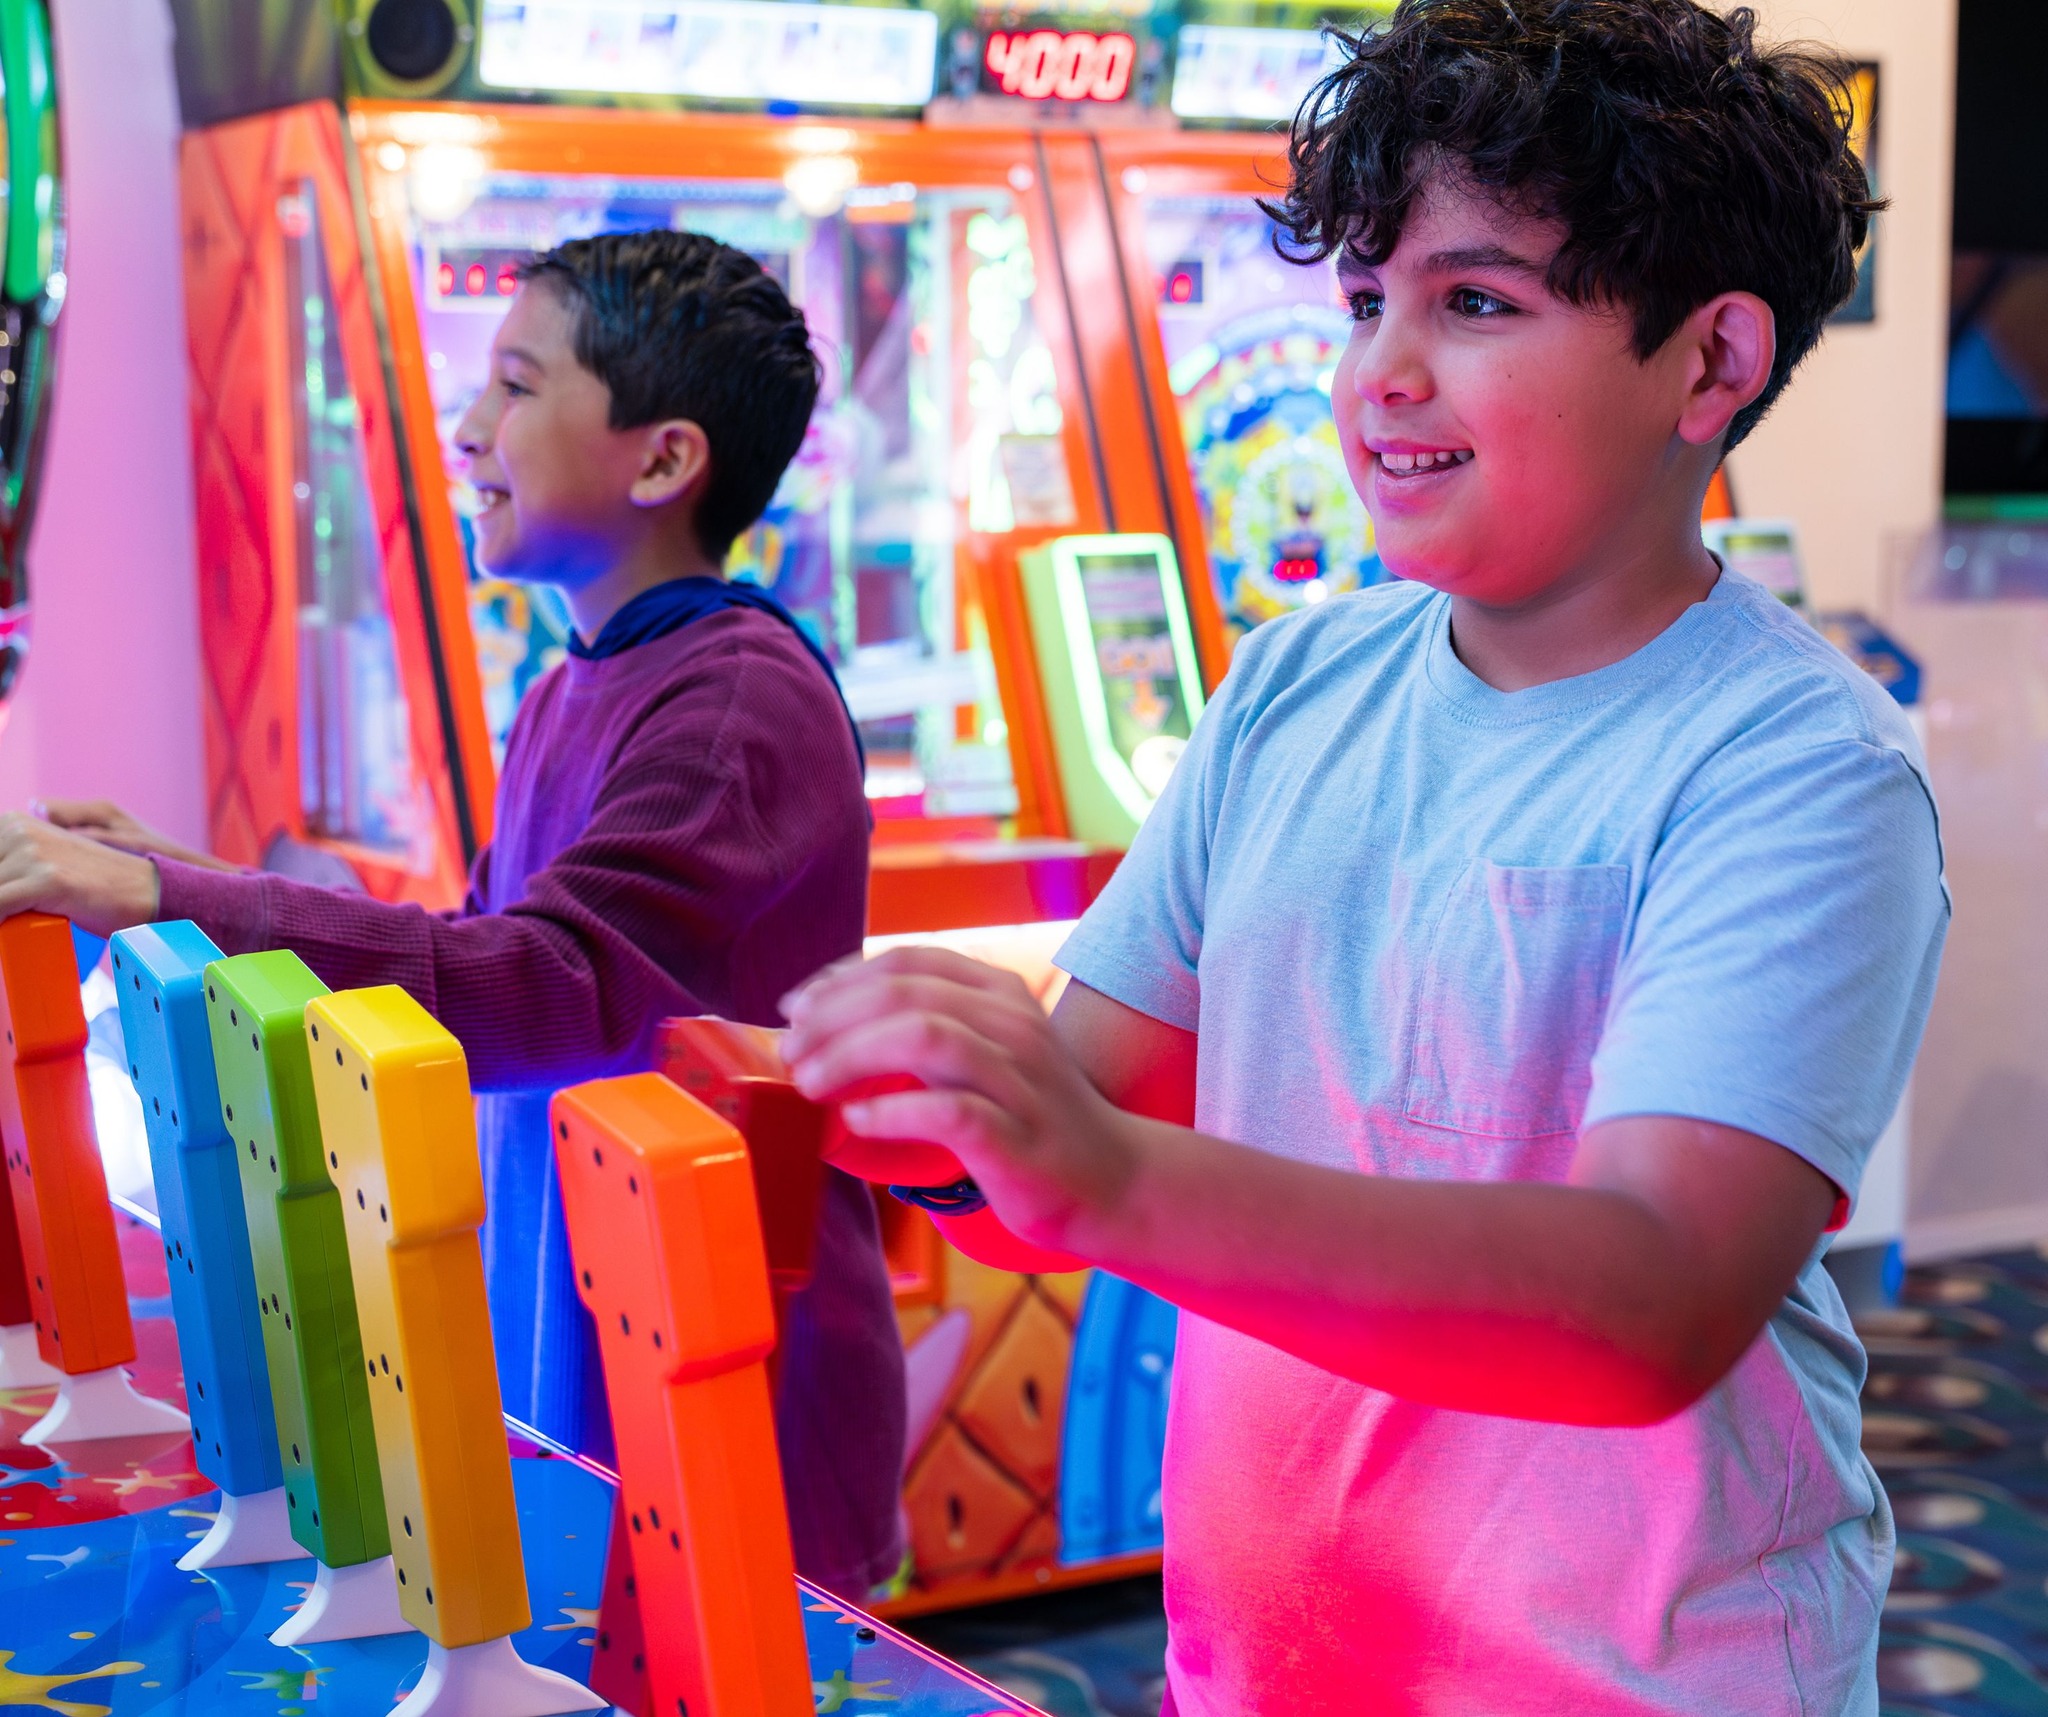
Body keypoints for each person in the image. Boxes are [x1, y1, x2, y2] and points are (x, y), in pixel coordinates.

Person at [779, 0, 1947, 1708]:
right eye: (1362, 302)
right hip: (1267, 1659)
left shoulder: (1799, 767)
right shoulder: (1298, 680)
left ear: (1713, 362)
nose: (1376, 374)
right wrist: (912, 1094)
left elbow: (1653, 1295)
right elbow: (1084, 1126)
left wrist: (1094, 1171)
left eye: (1475, 302)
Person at [0, 231, 906, 1599]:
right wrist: (171, 870)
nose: (469, 427)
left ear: (661, 460)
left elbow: (545, 989)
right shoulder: (575, 684)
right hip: (595, 1348)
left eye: (516, 387)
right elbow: (469, 949)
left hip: (731, 1387)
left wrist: (167, 892)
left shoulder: (731, 699)